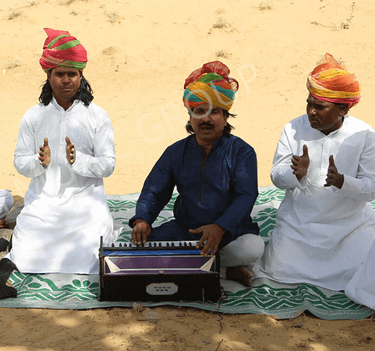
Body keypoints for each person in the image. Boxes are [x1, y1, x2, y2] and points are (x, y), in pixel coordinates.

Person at [0, 28, 119, 299]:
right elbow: (20, 162)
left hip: (86, 204)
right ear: (49, 76)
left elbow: (108, 165)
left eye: (72, 74)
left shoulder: (97, 117)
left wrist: (79, 161)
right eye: (59, 74)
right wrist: (39, 162)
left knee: (93, 244)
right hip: (45, 202)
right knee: (27, 243)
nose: (66, 80)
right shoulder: (33, 116)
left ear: (81, 76)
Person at [129, 61, 264, 287]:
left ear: (225, 116)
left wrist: (220, 227)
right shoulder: (175, 152)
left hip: (228, 234)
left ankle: (200, 266)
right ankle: (223, 270)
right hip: (185, 230)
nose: (206, 119)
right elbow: (154, 190)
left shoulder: (242, 152)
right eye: (199, 111)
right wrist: (143, 218)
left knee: (252, 248)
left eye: (215, 112)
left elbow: (246, 196)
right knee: (140, 245)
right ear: (190, 116)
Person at [252, 53, 375, 291]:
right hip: (299, 225)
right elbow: (276, 176)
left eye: (320, 106)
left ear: (342, 110)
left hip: (349, 227)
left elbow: (371, 189)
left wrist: (343, 182)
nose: (311, 111)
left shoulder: (365, 135)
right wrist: (296, 174)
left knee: (364, 275)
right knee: (277, 271)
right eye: (309, 103)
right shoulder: (293, 128)